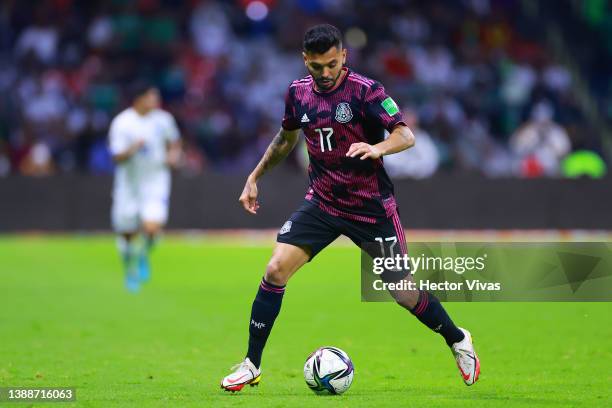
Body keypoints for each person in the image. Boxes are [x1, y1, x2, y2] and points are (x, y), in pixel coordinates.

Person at [220, 24, 479, 391]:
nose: (324, 74)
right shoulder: (297, 93)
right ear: (304, 61)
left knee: (403, 293)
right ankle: (251, 364)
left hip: (370, 208)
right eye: (315, 66)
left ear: (343, 56)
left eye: (330, 64)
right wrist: (254, 175)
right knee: (276, 269)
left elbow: (405, 135)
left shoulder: (367, 91)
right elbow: (285, 138)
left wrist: (377, 148)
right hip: (323, 202)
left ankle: (457, 339)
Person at [108, 83, 181, 292]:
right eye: (151, 97)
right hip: (129, 185)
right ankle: (129, 267)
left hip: (156, 180)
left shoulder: (163, 120)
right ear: (139, 99)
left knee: (152, 227)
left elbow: (174, 141)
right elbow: (116, 156)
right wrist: (133, 148)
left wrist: (173, 155)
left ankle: (143, 255)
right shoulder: (122, 123)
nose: (156, 101)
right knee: (127, 234)